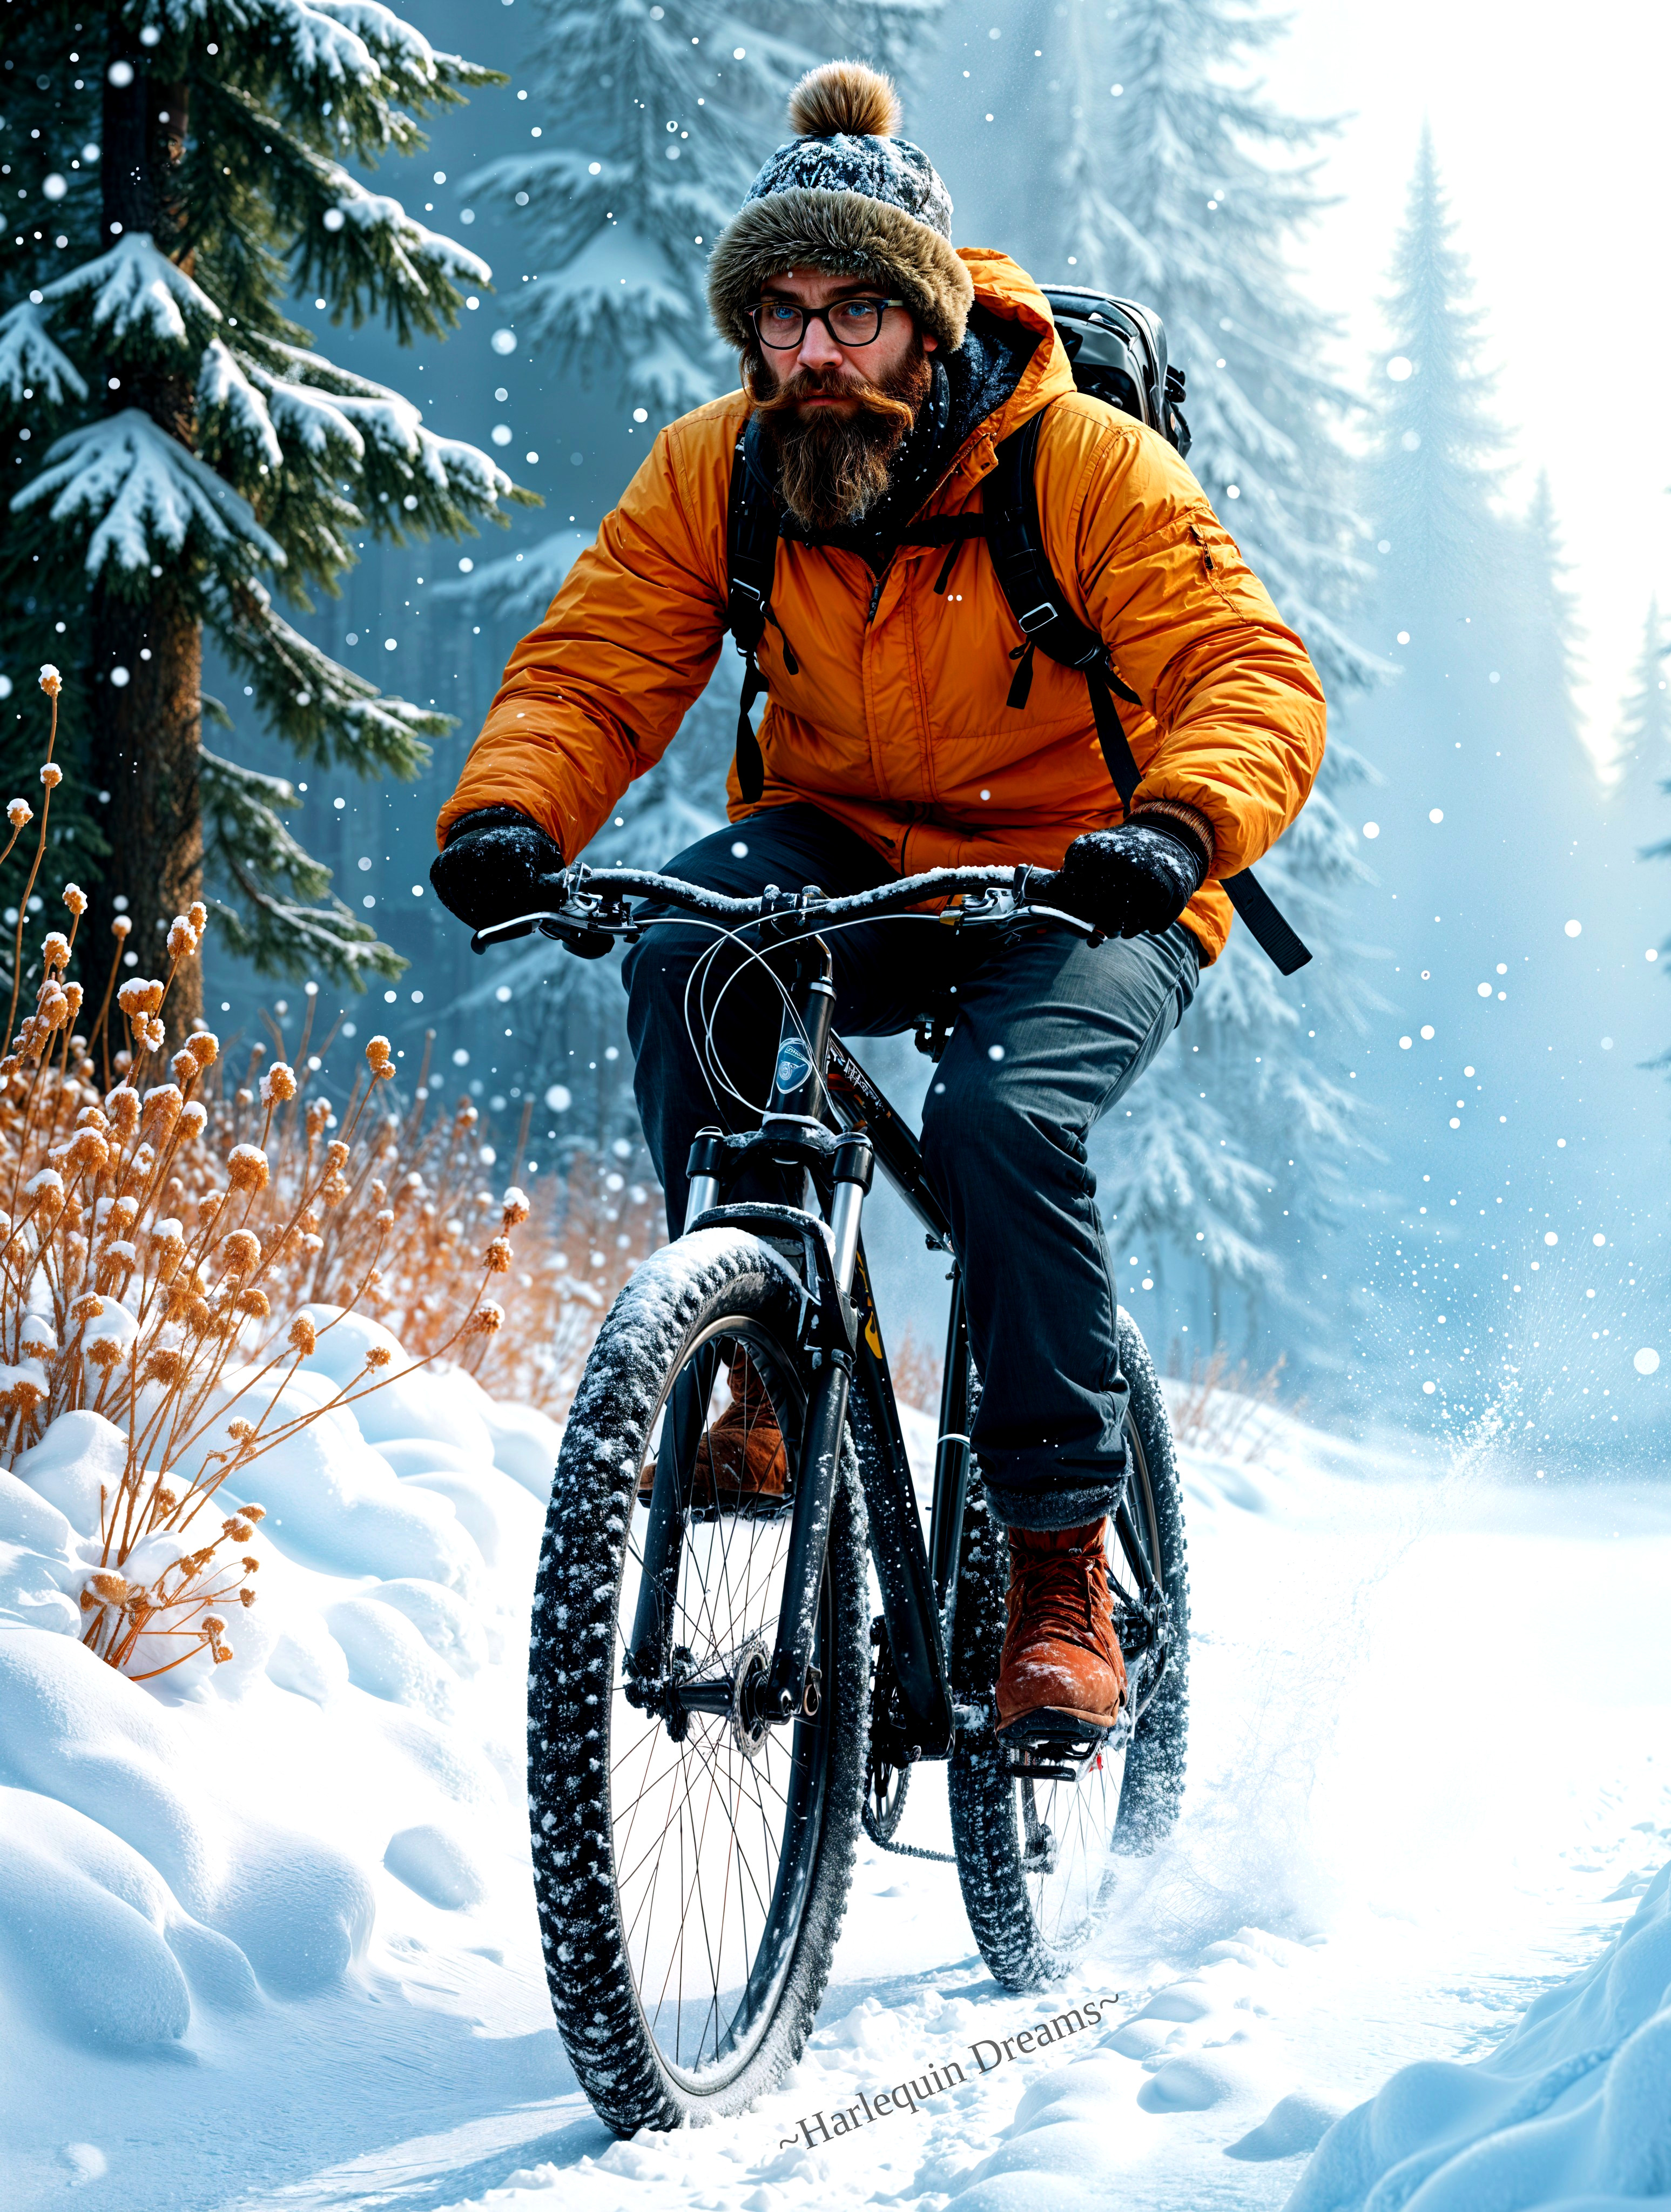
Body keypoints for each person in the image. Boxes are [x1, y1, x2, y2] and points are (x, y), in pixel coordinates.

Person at [429, 59, 1325, 1746]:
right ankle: (755, 1353)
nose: (812, 352)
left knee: (997, 1121)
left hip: (1086, 870)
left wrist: (1181, 824)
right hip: (844, 842)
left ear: (925, 323)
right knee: (693, 952)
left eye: (851, 313)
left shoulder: (1079, 463)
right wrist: (509, 812)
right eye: (778, 315)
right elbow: (598, 665)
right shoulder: (728, 468)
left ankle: (1059, 1563)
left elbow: (1245, 668)